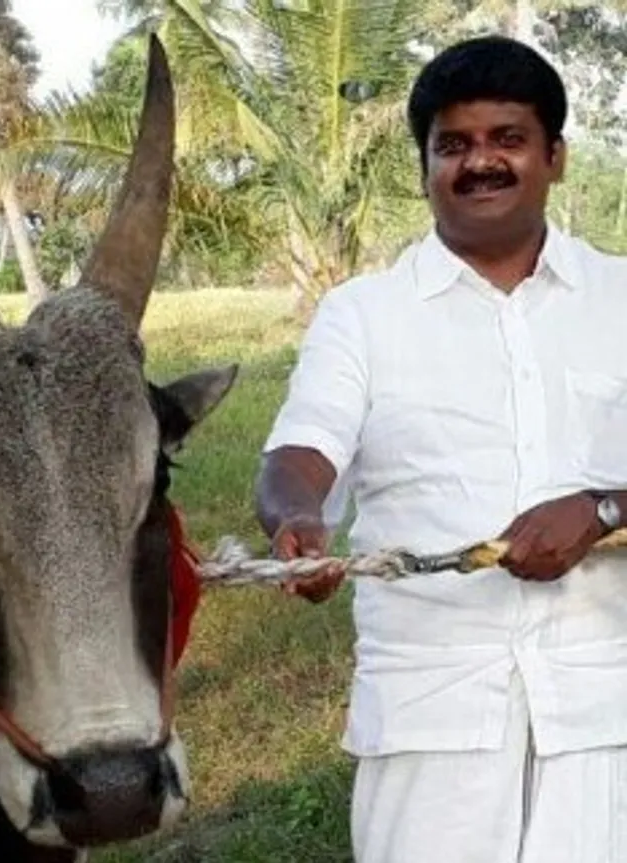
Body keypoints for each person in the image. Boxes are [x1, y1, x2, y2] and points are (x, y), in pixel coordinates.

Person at [255, 35, 627, 863]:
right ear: (424, 164)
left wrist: (603, 510)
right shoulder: (363, 314)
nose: (480, 163)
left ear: (555, 157)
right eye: (453, 145)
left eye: (507, 139)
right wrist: (295, 521)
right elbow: (299, 452)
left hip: (606, 715)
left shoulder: (620, 297)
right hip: (432, 719)